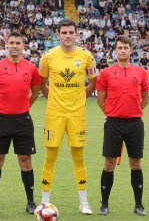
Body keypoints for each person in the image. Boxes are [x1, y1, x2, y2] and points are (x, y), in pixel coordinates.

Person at [39, 19, 97, 215]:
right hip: (54, 114)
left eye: (71, 32)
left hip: (77, 114)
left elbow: (93, 83)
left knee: (79, 156)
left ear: (76, 34)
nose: (67, 35)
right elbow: (42, 84)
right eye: (64, 32)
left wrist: (80, 98)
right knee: (50, 155)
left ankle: (84, 202)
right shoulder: (48, 57)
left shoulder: (86, 56)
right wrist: (55, 100)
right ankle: (45, 203)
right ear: (58, 35)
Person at [0, 32, 41, 214]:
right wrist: (0, 107)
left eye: (18, 43)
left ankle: (31, 202)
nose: (15, 46)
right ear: (6, 45)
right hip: (1, 120)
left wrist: (23, 108)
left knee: (25, 161)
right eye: (12, 43)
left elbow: (35, 92)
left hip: (23, 121)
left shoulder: (31, 68)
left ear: (23, 45)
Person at [96, 36, 149, 216]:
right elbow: (100, 99)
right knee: (109, 163)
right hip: (113, 124)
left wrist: (133, 111)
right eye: (119, 47)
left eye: (126, 47)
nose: (123, 50)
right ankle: (104, 204)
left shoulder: (141, 72)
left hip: (135, 123)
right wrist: (113, 113)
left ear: (131, 49)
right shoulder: (106, 73)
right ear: (115, 50)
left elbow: (145, 98)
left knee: (135, 163)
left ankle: (139, 205)